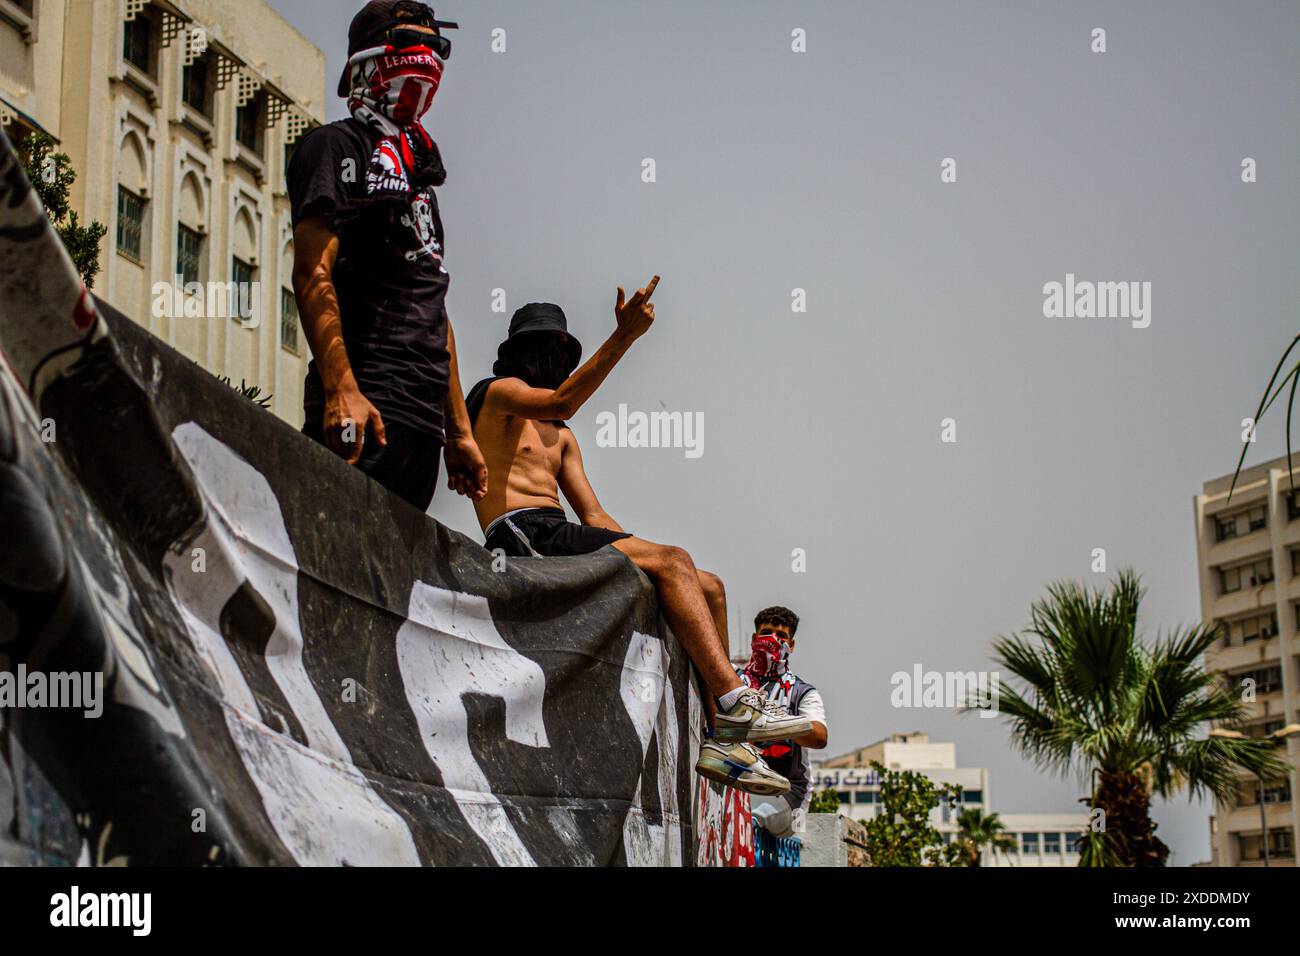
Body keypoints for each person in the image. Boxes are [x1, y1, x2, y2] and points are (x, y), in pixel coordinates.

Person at [465, 278, 811, 795]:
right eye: (550, 350)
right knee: (673, 562)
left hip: (560, 530)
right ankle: (737, 702)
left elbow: (595, 514)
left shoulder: (560, 436)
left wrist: (658, 557)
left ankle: (724, 742)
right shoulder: (499, 396)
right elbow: (565, 397)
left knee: (705, 582)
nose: (557, 360)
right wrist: (623, 337)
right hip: (518, 531)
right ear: (525, 354)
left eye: (564, 351)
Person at [288, 1, 486, 510]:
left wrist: (458, 428)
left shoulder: (422, 182)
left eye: (435, 46)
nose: (425, 57)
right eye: (407, 43)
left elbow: (433, 305)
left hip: (421, 421)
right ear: (366, 59)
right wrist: (341, 389)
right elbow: (313, 273)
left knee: (392, 585)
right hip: (366, 399)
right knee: (334, 562)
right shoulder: (334, 147)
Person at [737, 606, 829, 838]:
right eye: (767, 633)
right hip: (738, 786)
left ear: (792, 645)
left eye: (781, 636)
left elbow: (819, 737)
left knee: (748, 816)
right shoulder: (735, 681)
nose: (773, 641)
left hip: (786, 797)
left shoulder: (802, 693)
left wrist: (771, 719)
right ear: (754, 639)